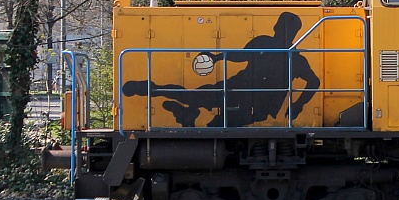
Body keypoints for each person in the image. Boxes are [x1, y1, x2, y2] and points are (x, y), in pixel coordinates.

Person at [121, 12, 320, 128]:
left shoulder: (295, 58)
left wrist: (298, 103)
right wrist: (217, 57)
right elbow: (240, 56)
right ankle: (155, 89)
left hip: (254, 106)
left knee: (213, 124)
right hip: (236, 90)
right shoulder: (266, 43)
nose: (278, 29)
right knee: (194, 98)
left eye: (281, 27)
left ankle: (186, 116)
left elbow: (314, 82)